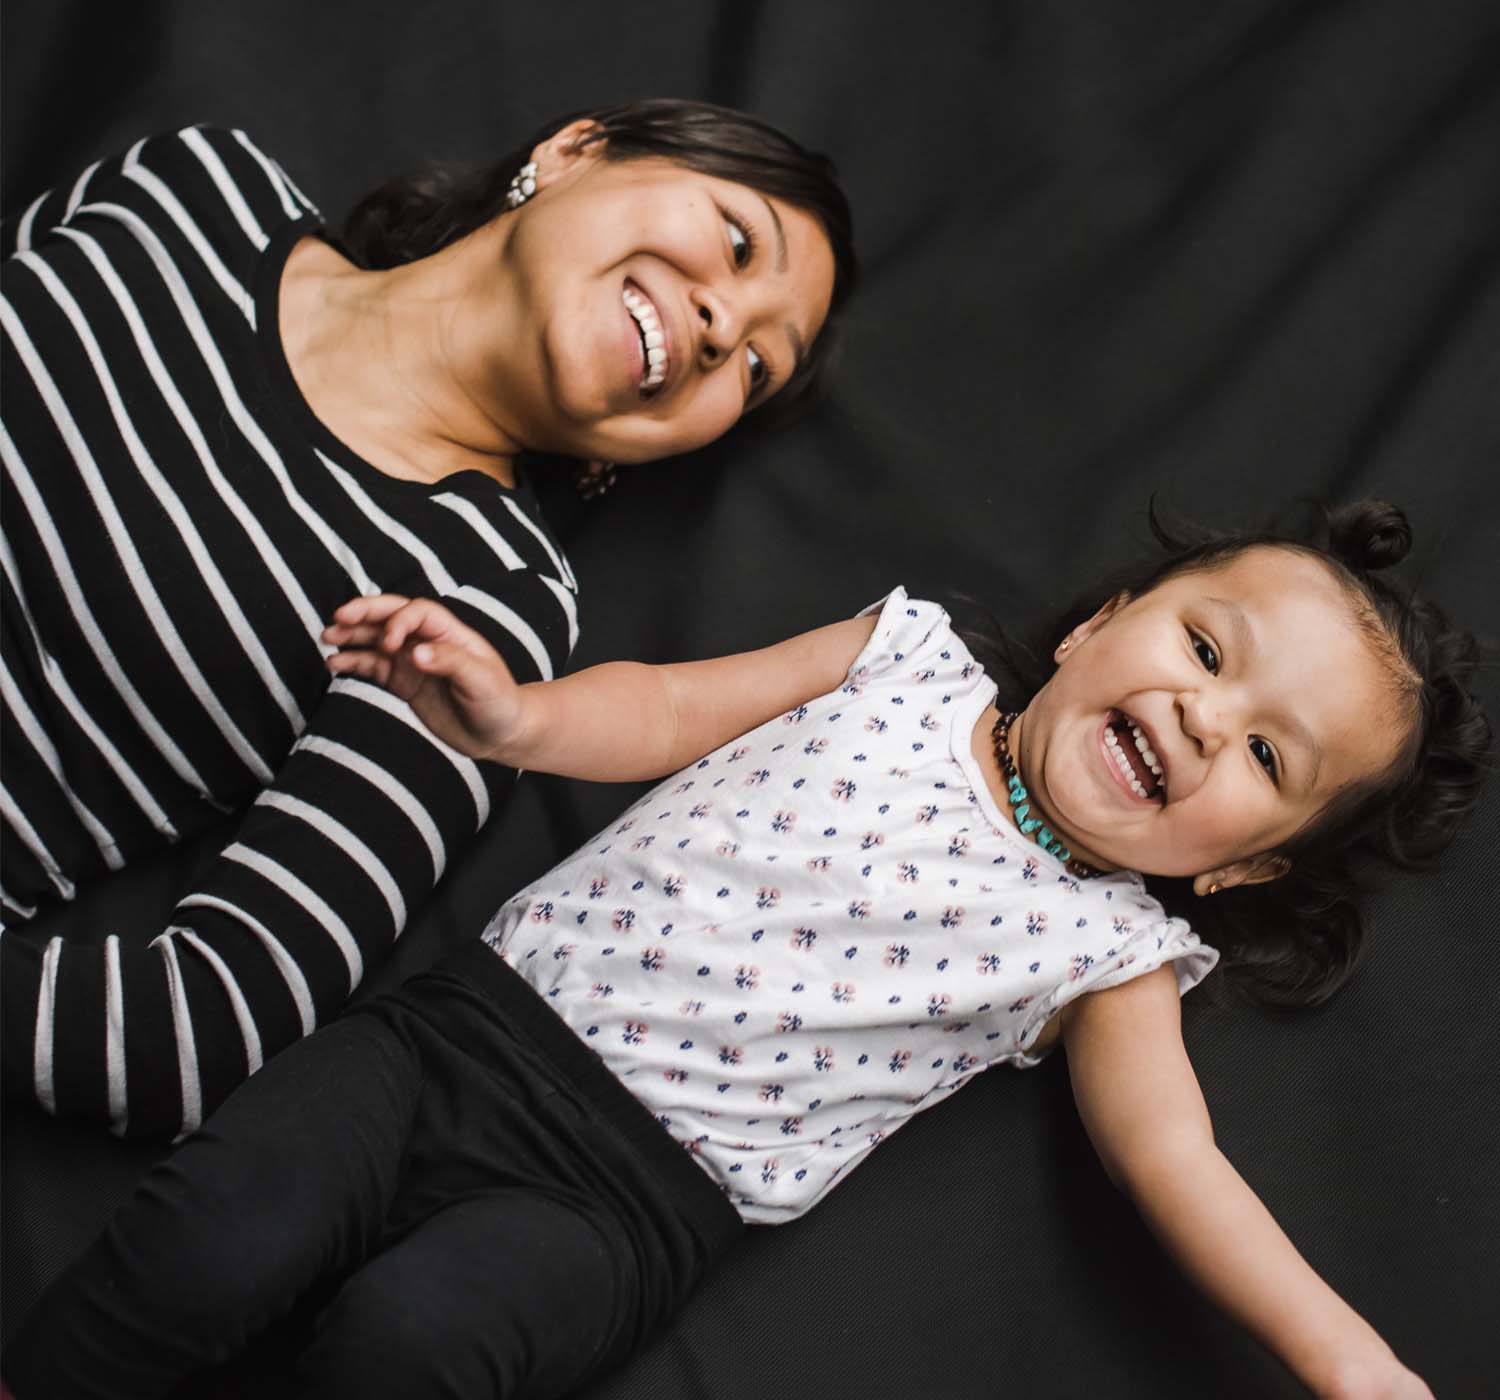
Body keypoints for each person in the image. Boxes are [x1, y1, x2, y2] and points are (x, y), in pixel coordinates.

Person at [3, 501, 1486, 1400]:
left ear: (1238, 865)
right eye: (1206, 652)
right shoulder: (905, 659)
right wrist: (521, 718)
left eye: (1264, 756)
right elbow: (659, 709)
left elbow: (1177, 1165)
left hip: (633, 1207)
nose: (1201, 720)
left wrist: (1342, 1357)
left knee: (417, 1351)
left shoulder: (1114, 954)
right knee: (216, 1227)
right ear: (1105, 623)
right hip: (463, 1039)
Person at [0, 100, 857, 1139]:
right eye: (736, 242)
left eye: (758, 369)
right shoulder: (194, 183)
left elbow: (202, 1030)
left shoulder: (485, 603)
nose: (727, 327)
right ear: (575, 151)